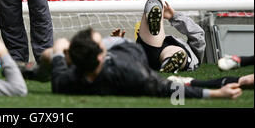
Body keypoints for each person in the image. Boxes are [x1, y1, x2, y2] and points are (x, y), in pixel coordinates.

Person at [24, 28, 242, 100]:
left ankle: (30, 72)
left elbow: (59, 79)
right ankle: (241, 79)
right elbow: (167, 90)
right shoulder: (130, 73)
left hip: (99, 55)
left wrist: (60, 53)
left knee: (48, 53)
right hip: (129, 47)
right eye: (100, 41)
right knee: (181, 81)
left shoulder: (70, 80)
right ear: (101, 55)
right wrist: (216, 94)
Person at [135, 0, 206, 73]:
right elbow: (198, 34)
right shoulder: (194, 55)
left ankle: (170, 60)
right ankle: (169, 60)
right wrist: (173, 16)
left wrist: (174, 16)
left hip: (148, 52)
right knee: (177, 52)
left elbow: (198, 34)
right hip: (160, 50)